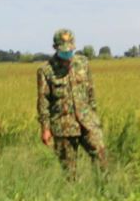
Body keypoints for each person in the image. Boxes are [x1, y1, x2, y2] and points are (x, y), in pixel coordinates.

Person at [37, 28, 107, 171]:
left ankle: (104, 191)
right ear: (55, 48)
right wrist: (45, 128)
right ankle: (73, 193)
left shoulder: (83, 63)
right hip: (63, 126)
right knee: (69, 172)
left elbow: (90, 91)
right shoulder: (46, 70)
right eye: (63, 52)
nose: (67, 55)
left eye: (70, 51)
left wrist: (94, 116)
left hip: (87, 122)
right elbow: (43, 101)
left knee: (101, 158)